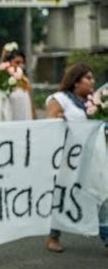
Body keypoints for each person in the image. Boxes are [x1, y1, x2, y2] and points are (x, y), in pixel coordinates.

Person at [45, 63, 96, 252]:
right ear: (76, 82)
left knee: (100, 195)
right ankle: (53, 236)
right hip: (68, 158)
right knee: (63, 195)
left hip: (92, 156)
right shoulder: (60, 99)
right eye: (88, 78)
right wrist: (60, 119)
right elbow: (49, 123)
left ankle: (106, 236)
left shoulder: (95, 103)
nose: (93, 82)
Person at [3, 48, 37, 121]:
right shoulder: (3, 80)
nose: (20, 65)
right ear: (9, 62)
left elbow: (31, 100)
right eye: (17, 62)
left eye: (22, 63)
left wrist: (34, 115)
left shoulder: (25, 80)